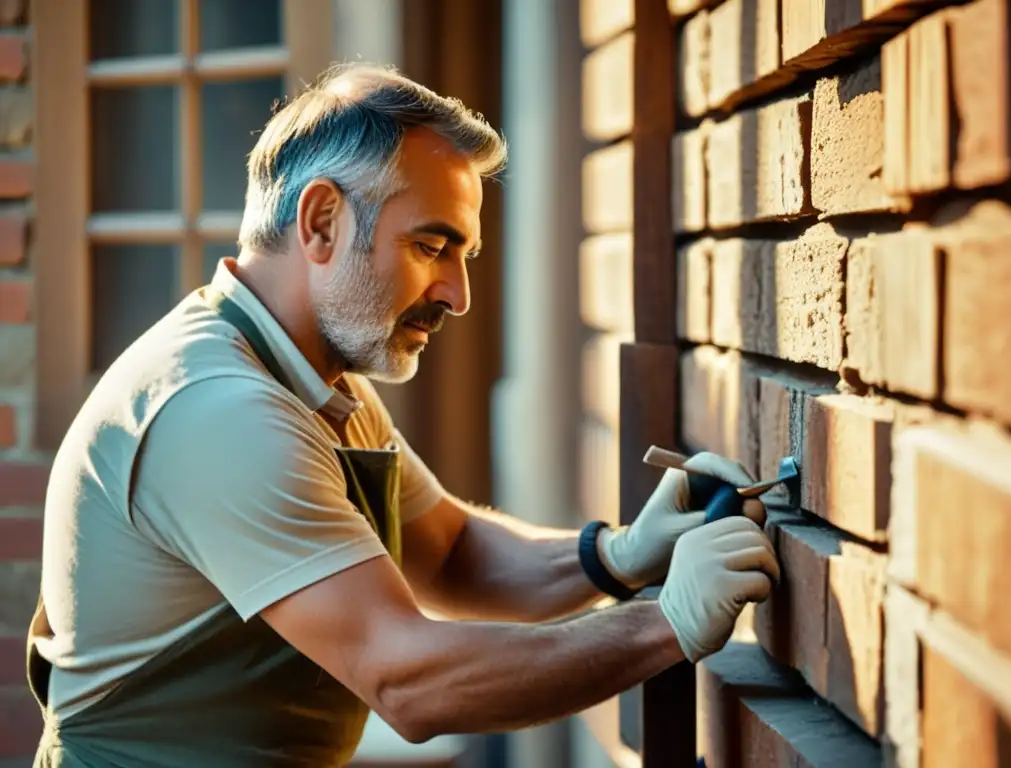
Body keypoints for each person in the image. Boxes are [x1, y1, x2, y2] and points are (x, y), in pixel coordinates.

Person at [26, 63, 779, 767]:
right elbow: (408, 681)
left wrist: (619, 556)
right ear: (321, 222)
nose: (458, 294)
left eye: (464, 255)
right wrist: (667, 623)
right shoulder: (218, 410)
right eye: (430, 245)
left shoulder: (307, 377)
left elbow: (449, 553)